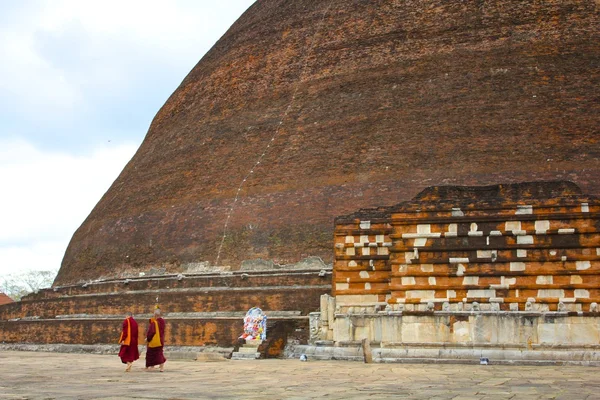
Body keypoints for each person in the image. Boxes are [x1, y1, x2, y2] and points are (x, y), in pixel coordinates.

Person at [145, 308, 167, 372]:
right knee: (159, 353)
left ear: (155, 315)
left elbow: (151, 332)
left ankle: (151, 366)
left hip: (154, 341)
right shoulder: (162, 321)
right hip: (161, 340)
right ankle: (161, 368)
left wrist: (148, 339)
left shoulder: (154, 323)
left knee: (151, 353)